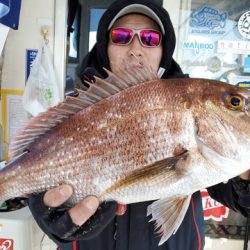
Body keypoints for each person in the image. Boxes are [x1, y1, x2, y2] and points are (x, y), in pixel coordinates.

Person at [28, 0, 250, 250]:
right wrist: (48, 216)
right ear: (105, 47)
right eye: (121, 37)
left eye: (150, 38)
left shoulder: (199, 123)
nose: (135, 48)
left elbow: (243, 202)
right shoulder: (74, 112)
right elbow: (35, 170)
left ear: (163, 50)